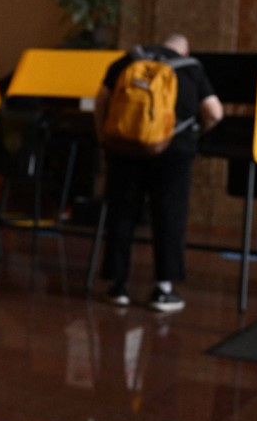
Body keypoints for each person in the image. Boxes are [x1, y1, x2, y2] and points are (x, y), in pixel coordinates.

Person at [93, 33, 224, 312]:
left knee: (122, 214)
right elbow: (214, 112)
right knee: (169, 216)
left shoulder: (127, 60)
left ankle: (118, 287)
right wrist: (195, 134)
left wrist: (104, 137)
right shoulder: (191, 68)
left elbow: (101, 100)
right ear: (184, 49)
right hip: (173, 152)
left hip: (124, 147)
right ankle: (163, 290)